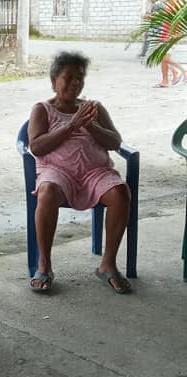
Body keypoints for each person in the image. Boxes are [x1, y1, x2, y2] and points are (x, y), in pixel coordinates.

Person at [27, 51, 132, 294]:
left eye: (80, 78)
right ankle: (44, 265)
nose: (75, 83)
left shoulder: (94, 108)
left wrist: (91, 126)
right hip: (58, 172)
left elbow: (115, 142)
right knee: (47, 191)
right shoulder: (42, 109)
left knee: (120, 192)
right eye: (69, 77)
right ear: (54, 80)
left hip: (95, 172)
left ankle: (108, 265)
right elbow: (36, 146)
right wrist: (72, 125)